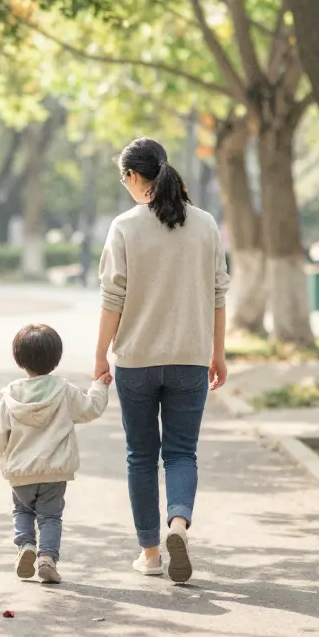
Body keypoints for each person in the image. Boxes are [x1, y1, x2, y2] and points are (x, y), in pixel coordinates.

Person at [95, 137, 229, 584]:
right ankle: (178, 525)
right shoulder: (206, 224)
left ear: (134, 177)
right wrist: (218, 353)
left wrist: (100, 357)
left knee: (140, 456)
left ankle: (150, 555)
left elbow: (112, 297)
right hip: (191, 358)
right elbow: (218, 293)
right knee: (181, 452)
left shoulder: (125, 227)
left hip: (136, 360)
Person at [0, 324, 110, 585]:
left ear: (19, 359)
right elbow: (90, 408)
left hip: (21, 474)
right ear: (56, 359)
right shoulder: (64, 390)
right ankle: (47, 559)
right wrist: (99, 386)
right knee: (50, 517)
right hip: (54, 471)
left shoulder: (11, 396)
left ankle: (26, 546)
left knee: (23, 512)